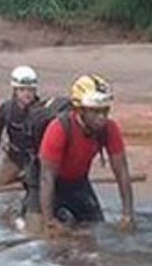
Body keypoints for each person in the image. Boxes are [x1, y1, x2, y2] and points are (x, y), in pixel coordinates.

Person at [24, 73, 136, 236]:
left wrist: (127, 214)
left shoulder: (109, 129)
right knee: (38, 235)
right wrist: (49, 222)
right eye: (95, 112)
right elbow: (46, 178)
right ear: (80, 110)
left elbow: (122, 172)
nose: (102, 118)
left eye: (105, 111)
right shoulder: (59, 128)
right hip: (43, 182)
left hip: (77, 182)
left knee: (96, 229)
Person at [0, 65, 42, 188]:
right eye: (22, 90)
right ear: (15, 90)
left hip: (36, 160)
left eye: (30, 90)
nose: (27, 94)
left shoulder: (42, 111)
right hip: (14, 158)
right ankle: (19, 179)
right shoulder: (5, 109)